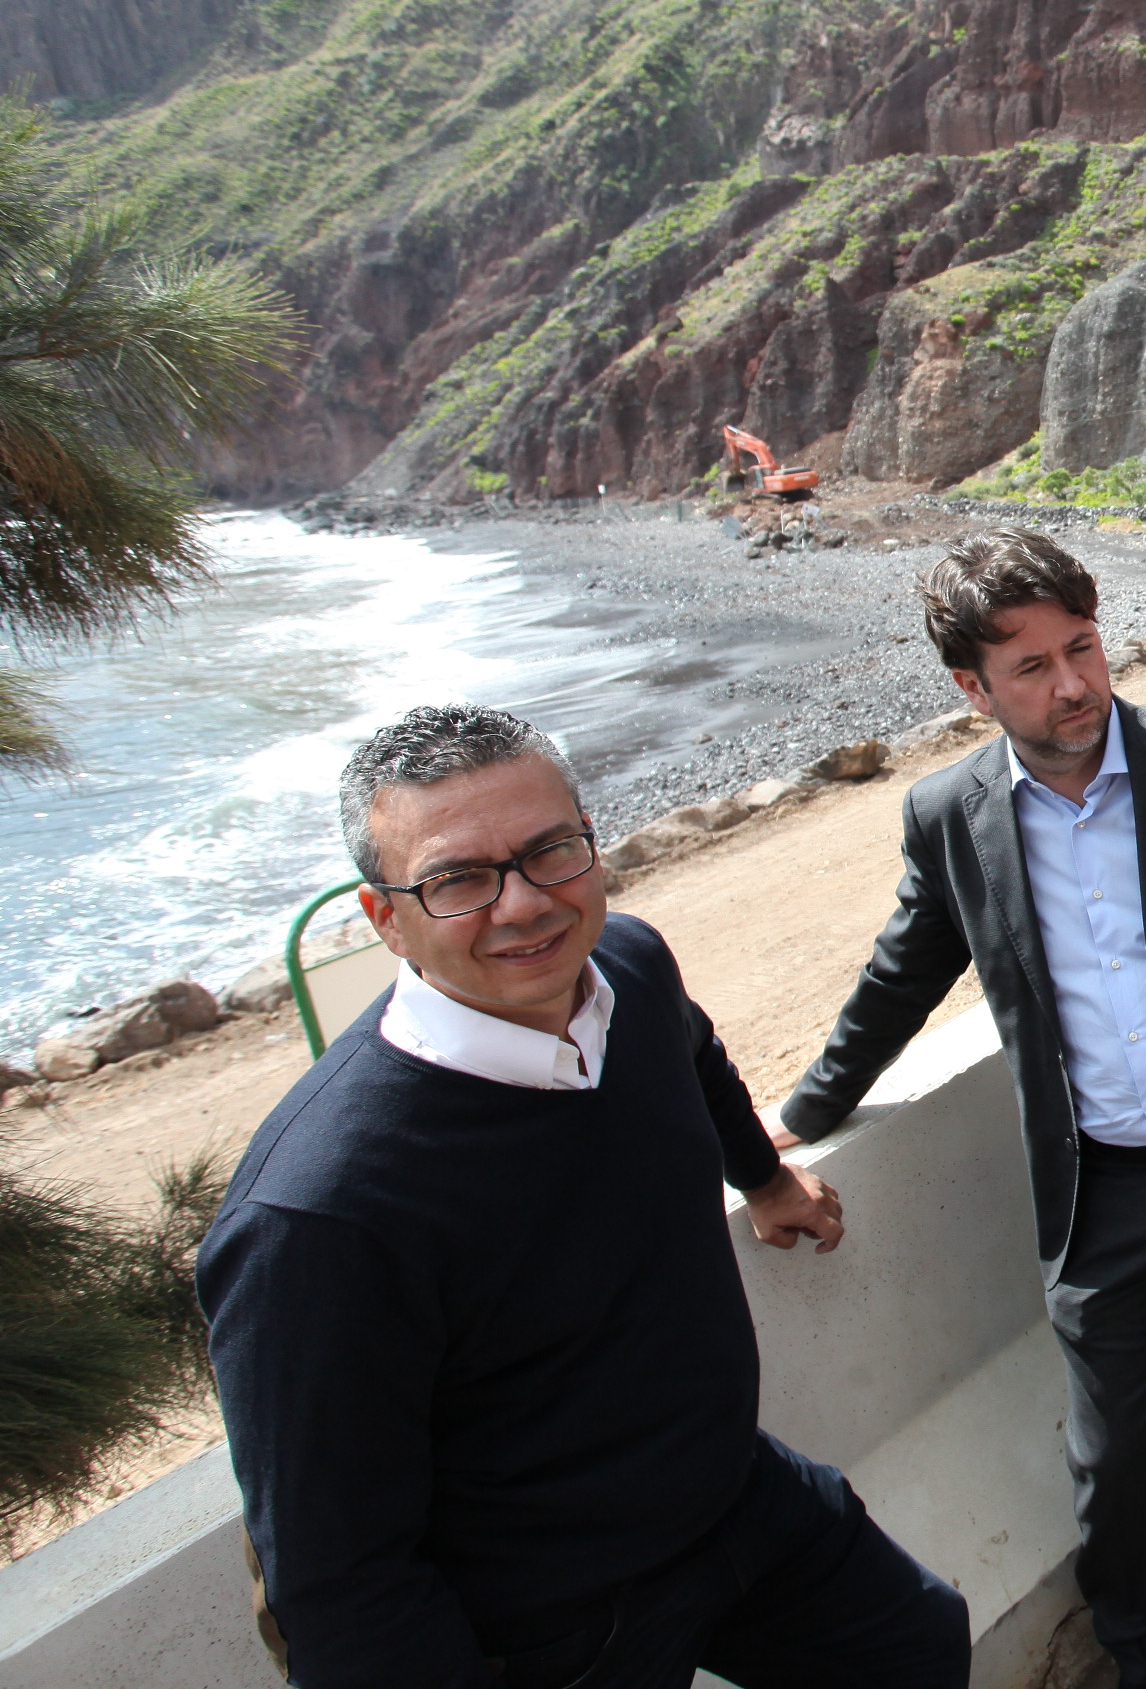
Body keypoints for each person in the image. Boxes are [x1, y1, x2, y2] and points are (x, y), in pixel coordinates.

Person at [200, 705, 968, 1689]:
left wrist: (766, 1178)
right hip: (546, 1618)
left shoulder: (629, 970)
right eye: (458, 878)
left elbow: (694, 1055)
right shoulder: (322, 1211)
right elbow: (338, 1577)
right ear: (385, 917)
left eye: (549, 849)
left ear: (592, 846)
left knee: (912, 1639)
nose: (521, 903)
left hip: (729, 1492)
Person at [776, 529, 1146, 1689]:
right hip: (1099, 1192)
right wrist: (801, 1112)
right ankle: (1145, 1650)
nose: (1072, 683)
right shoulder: (949, 814)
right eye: (1032, 667)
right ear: (972, 686)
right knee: (1113, 1460)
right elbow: (902, 975)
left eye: (1084, 647)